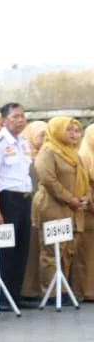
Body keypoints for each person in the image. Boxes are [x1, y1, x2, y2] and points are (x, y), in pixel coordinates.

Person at [31, 117, 89, 298]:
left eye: (77, 130)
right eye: (69, 130)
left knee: (67, 248)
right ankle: (51, 292)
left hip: (73, 207)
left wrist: (85, 197)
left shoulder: (74, 153)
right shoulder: (48, 151)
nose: (74, 134)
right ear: (57, 130)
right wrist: (69, 198)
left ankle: (63, 287)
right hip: (52, 205)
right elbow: (49, 181)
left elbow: (83, 178)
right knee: (52, 249)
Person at [0, 103, 32, 302]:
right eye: (15, 116)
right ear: (4, 120)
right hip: (7, 198)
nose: (20, 120)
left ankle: (14, 294)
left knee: (22, 247)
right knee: (5, 250)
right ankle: (1, 297)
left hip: (24, 197)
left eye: (22, 116)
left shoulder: (23, 143)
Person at [73, 126, 94, 300]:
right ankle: (84, 292)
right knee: (86, 257)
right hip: (88, 213)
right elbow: (83, 185)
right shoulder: (84, 157)